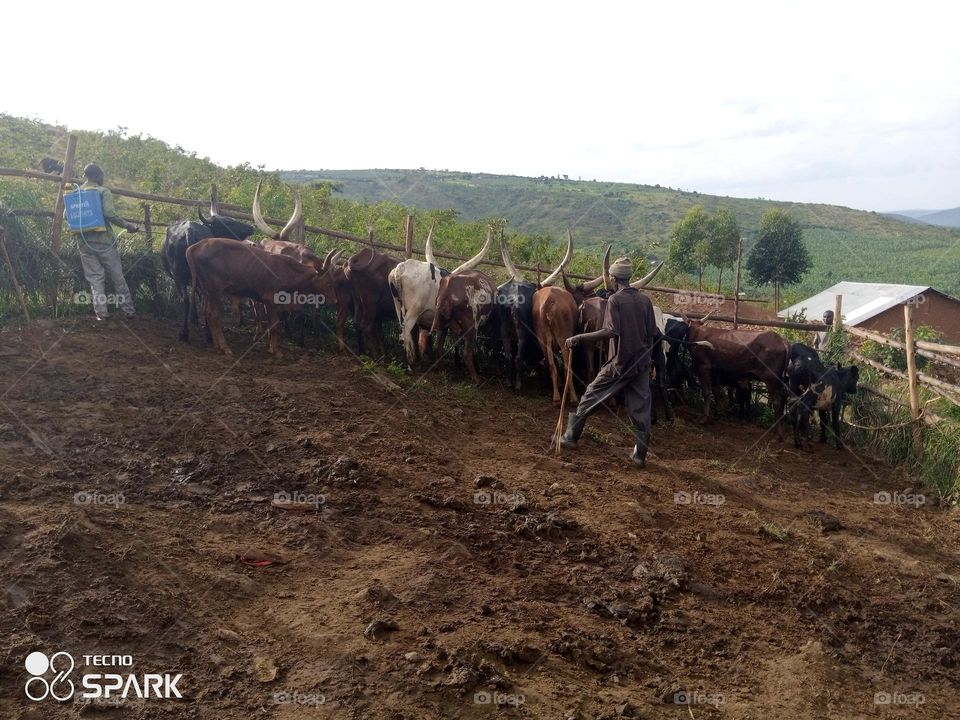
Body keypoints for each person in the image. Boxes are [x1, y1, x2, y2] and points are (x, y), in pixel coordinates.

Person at [561, 257, 660, 466]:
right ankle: (639, 456)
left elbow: (611, 331)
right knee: (641, 408)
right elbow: (652, 334)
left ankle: (570, 437)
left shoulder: (615, 300)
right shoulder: (645, 301)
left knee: (591, 394)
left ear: (614, 279)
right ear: (629, 277)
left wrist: (578, 337)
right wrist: (649, 361)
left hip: (620, 363)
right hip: (641, 364)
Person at [71, 163, 139, 320]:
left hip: (84, 243)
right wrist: (128, 225)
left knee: (95, 279)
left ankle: (101, 313)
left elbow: (67, 216)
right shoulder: (103, 191)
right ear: (98, 176)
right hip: (104, 242)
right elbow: (109, 213)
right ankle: (129, 311)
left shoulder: (76, 193)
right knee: (117, 276)